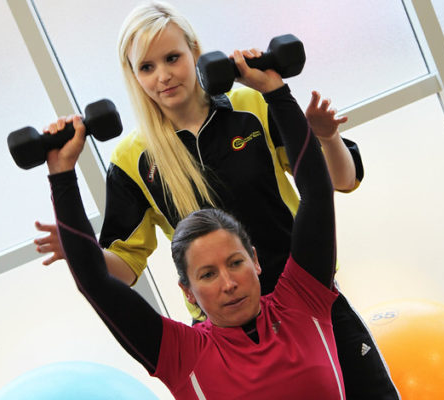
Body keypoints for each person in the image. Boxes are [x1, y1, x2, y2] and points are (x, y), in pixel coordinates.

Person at [36, 2, 399, 398]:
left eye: (172, 58)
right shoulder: (133, 160)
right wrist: (79, 247)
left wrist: (323, 135)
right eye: (147, 67)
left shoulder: (252, 106)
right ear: (133, 75)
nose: (163, 76)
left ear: (194, 51)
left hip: (303, 298)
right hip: (222, 334)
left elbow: (333, 186)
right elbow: (118, 271)